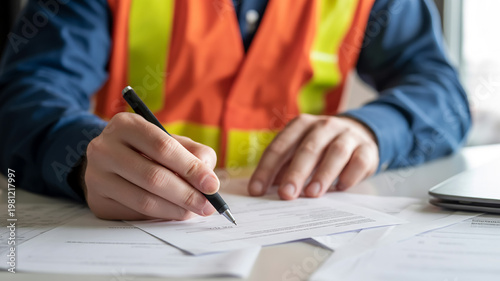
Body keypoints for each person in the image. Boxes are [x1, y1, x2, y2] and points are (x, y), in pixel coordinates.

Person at [0, 0, 470, 220]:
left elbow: (443, 93)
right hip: (130, 242)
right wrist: (84, 159)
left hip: (296, 244)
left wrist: (372, 130)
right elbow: (21, 97)